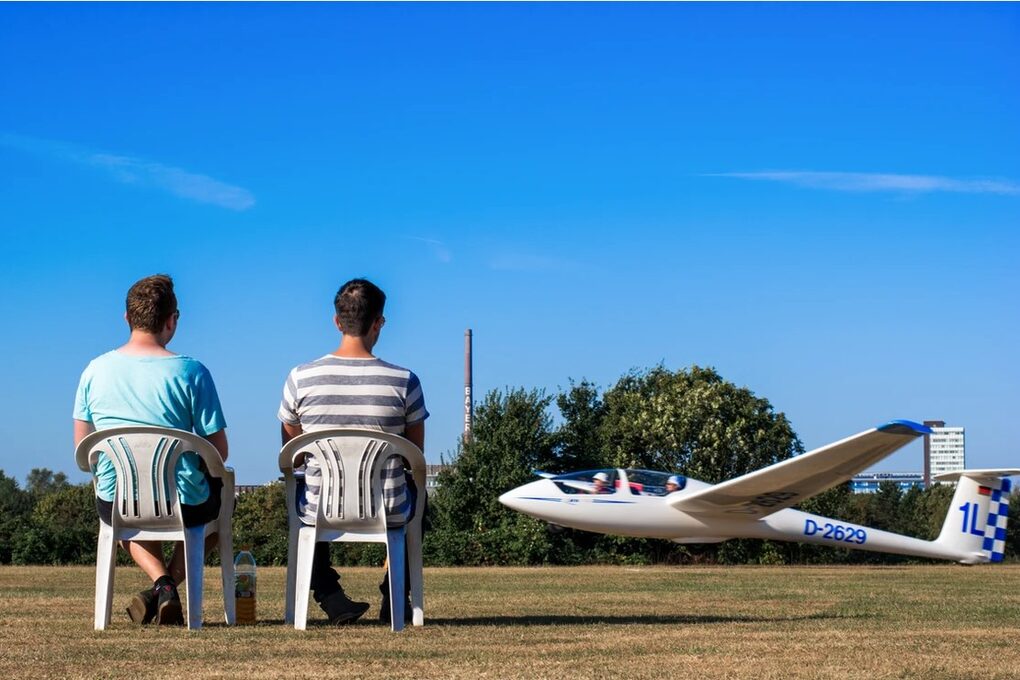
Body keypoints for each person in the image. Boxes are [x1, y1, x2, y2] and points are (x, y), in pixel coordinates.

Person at [73, 274, 229, 626]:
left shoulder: (94, 371)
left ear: (127, 318)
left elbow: (85, 451)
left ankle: (161, 586)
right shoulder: (193, 372)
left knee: (126, 515)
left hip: (118, 503)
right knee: (220, 512)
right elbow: (219, 453)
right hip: (185, 502)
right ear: (173, 319)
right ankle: (167, 585)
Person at [279, 278, 428, 625]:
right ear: (378, 322)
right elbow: (414, 456)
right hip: (388, 508)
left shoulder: (300, 378)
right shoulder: (405, 381)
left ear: (336, 321)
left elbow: (292, 454)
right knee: (419, 495)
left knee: (306, 491)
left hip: (320, 508)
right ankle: (395, 596)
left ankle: (330, 596)